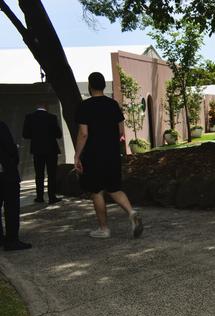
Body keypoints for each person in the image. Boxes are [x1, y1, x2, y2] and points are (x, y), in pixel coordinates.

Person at [74, 72, 143, 239]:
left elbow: (84, 133)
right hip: (112, 154)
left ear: (90, 86)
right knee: (114, 188)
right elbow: (120, 130)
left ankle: (104, 229)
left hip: (93, 155)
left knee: (96, 191)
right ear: (104, 86)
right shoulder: (113, 105)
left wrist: (77, 155)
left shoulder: (85, 106)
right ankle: (131, 212)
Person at [22, 101, 63, 204]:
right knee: (51, 174)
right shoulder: (52, 117)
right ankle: (52, 196)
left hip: (37, 149)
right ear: (46, 107)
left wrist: (35, 136)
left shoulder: (29, 117)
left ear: (37, 107)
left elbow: (25, 134)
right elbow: (58, 134)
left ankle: (39, 197)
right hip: (51, 149)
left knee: (39, 174)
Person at [0, 121, 31, 251]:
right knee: (11, 206)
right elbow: (10, 148)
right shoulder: (1, 126)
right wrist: (13, 161)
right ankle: (12, 240)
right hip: (5, 171)